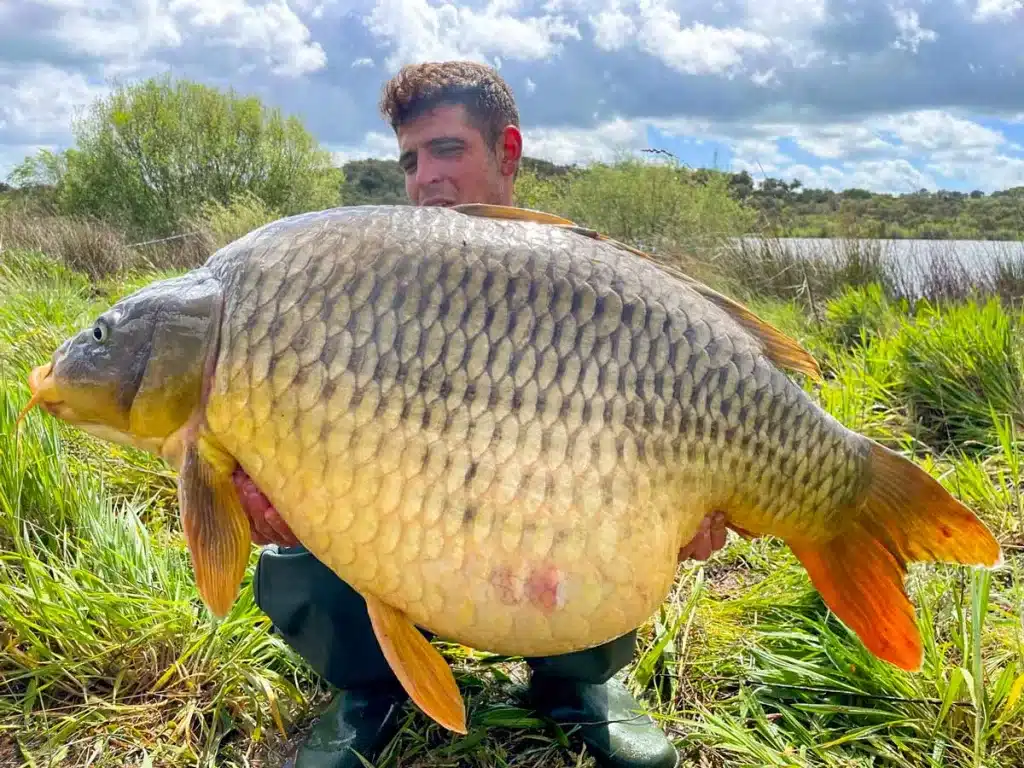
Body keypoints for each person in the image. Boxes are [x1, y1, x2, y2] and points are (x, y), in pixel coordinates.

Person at [233, 60, 728, 768]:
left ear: (509, 151)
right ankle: (370, 687)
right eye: (409, 158)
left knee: (615, 512)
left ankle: (576, 682)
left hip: (542, 531)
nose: (423, 177)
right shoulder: (364, 279)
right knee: (311, 522)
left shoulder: (588, 279)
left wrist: (686, 513)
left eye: (446, 149)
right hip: (404, 533)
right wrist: (273, 482)